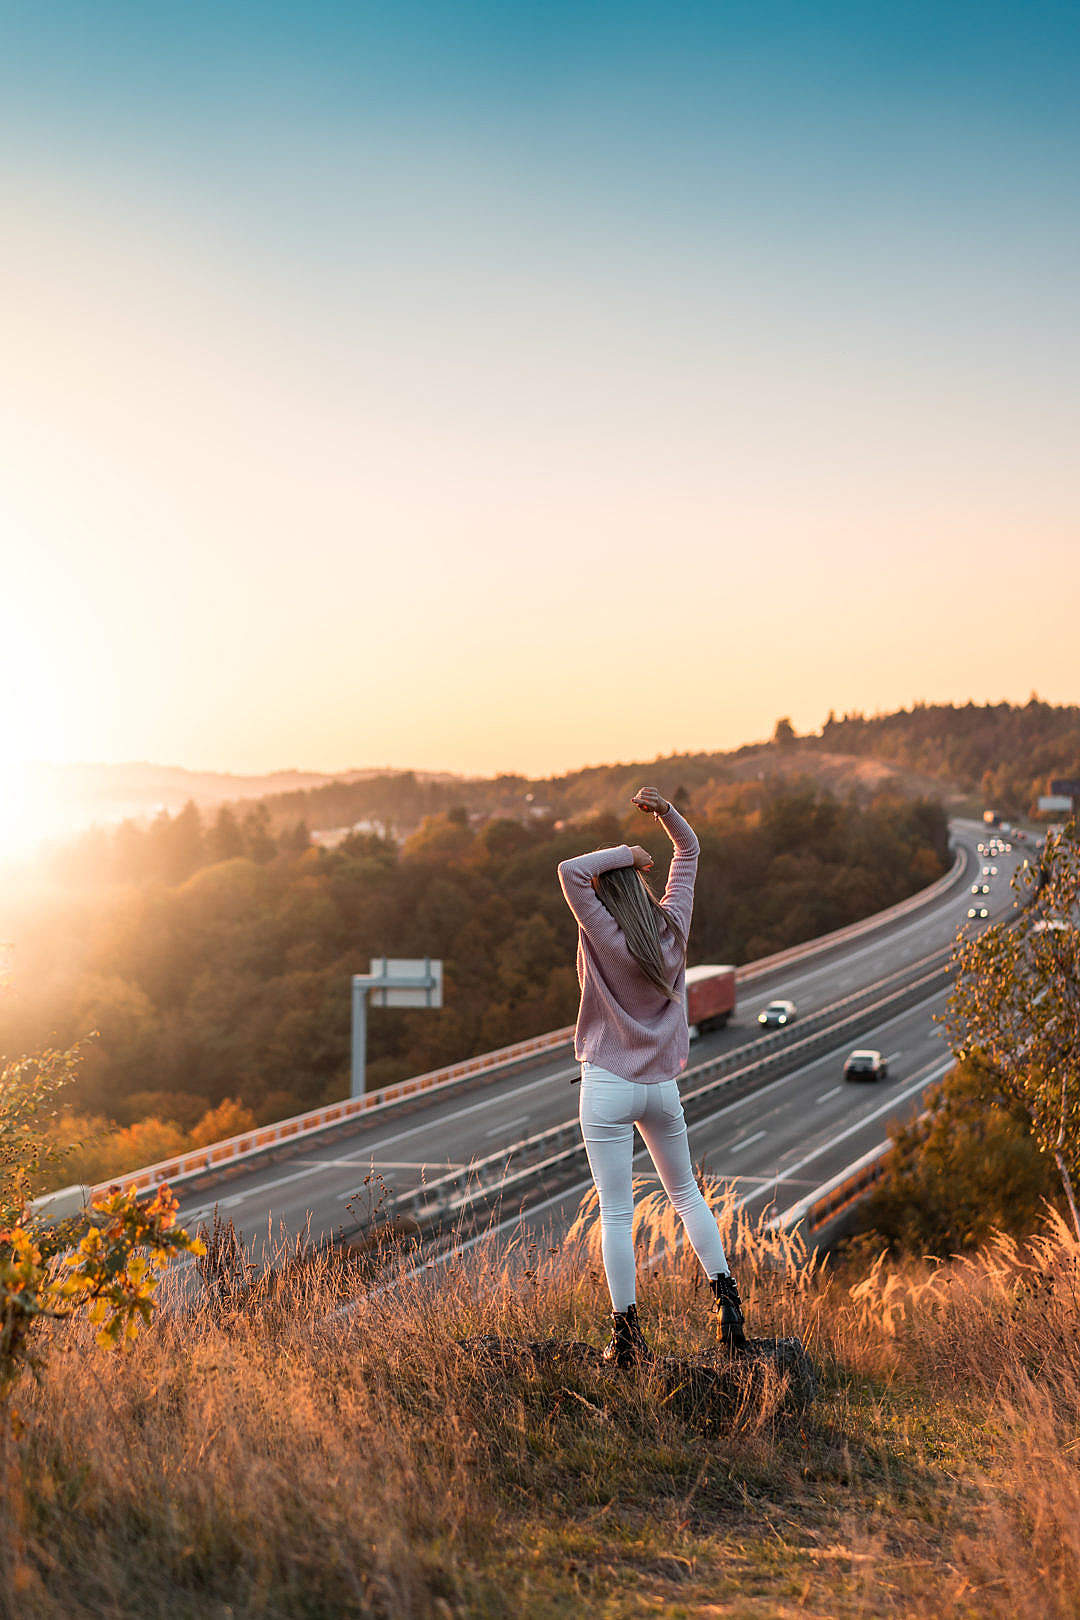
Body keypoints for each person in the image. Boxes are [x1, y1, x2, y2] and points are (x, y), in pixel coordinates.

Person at [557, 786, 746, 1366]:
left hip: (608, 1084)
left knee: (616, 1212)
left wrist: (626, 853)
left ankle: (627, 1336)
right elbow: (689, 851)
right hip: (661, 1087)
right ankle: (732, 1316)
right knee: (688, 1196)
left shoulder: (604, 936)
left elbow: (570, 870)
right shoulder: (672, 931)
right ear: (642, 889)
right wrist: (665, 815)